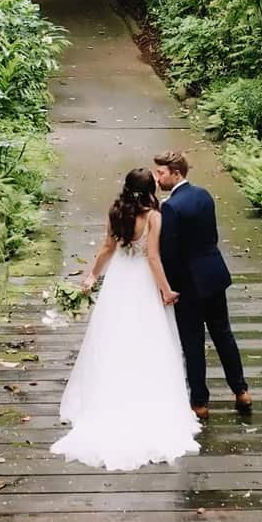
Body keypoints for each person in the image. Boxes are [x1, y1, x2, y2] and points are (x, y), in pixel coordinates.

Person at [50, 168, 201, 471]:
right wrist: (166, 289)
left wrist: (93, 275)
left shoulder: (116, 211)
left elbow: (107, 248)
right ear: (149, 191)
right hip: (143, 283)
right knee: (148, 340)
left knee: (113, 337)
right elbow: (153, 258)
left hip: (119, 279)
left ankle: (107, 396)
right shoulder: (154, 217)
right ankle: (148, 399)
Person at [152, 151, 251, 421]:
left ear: (176, 173)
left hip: (188, 283)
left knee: (193, 343)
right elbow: (212, 235)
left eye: (161, 173)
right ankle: (241, 390)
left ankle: (200, 402)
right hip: (214, 274)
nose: (157, 179)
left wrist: (166, 287)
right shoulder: (205, 195)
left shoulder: (170, 207)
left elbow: (169, 253)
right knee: (223, 334)